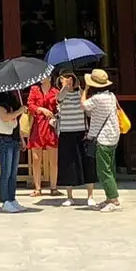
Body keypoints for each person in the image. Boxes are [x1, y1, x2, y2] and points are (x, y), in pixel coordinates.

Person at [82, 68, 122, 211]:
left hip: (103, 138)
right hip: (113, 136)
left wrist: (84, 90)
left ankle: (114, 200)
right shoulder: (111, 96)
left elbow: (83, 105)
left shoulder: (96, 98)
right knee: (110, 168)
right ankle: (109, 197)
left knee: (103, 170)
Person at [54, 70, 91, 206]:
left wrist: (84, 89)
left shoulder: (81, 93)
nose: (69, 81)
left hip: (81, 131)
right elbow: (59, 98)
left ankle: (90, 195)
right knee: (67, 164)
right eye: (64, 79)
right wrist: (65, 86)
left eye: (71, 79)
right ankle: (69, 196)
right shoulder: (60, 95)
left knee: (87, 164)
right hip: (66, 131)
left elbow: (87, 109)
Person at [0, 88, 26, 213]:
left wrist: (21, 138)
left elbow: (17, 122)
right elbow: (5, 117)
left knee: (13, 173)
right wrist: (19, 111)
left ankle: (12, 198)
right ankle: (5, 200)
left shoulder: (13, 96)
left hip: (14, 137)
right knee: (6, 172)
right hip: (4, 138)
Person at [25, 74, 59, 200]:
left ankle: (53, 187)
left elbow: (59, 106)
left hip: (50, 126)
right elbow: (30, 104)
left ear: (50, 78)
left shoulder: (55, 91)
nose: (41, 77)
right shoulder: (34, 89)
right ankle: (37, 187)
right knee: (36, 159)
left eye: (44, 75)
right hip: (37, 125)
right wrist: (40, 109)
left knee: (53, 160)